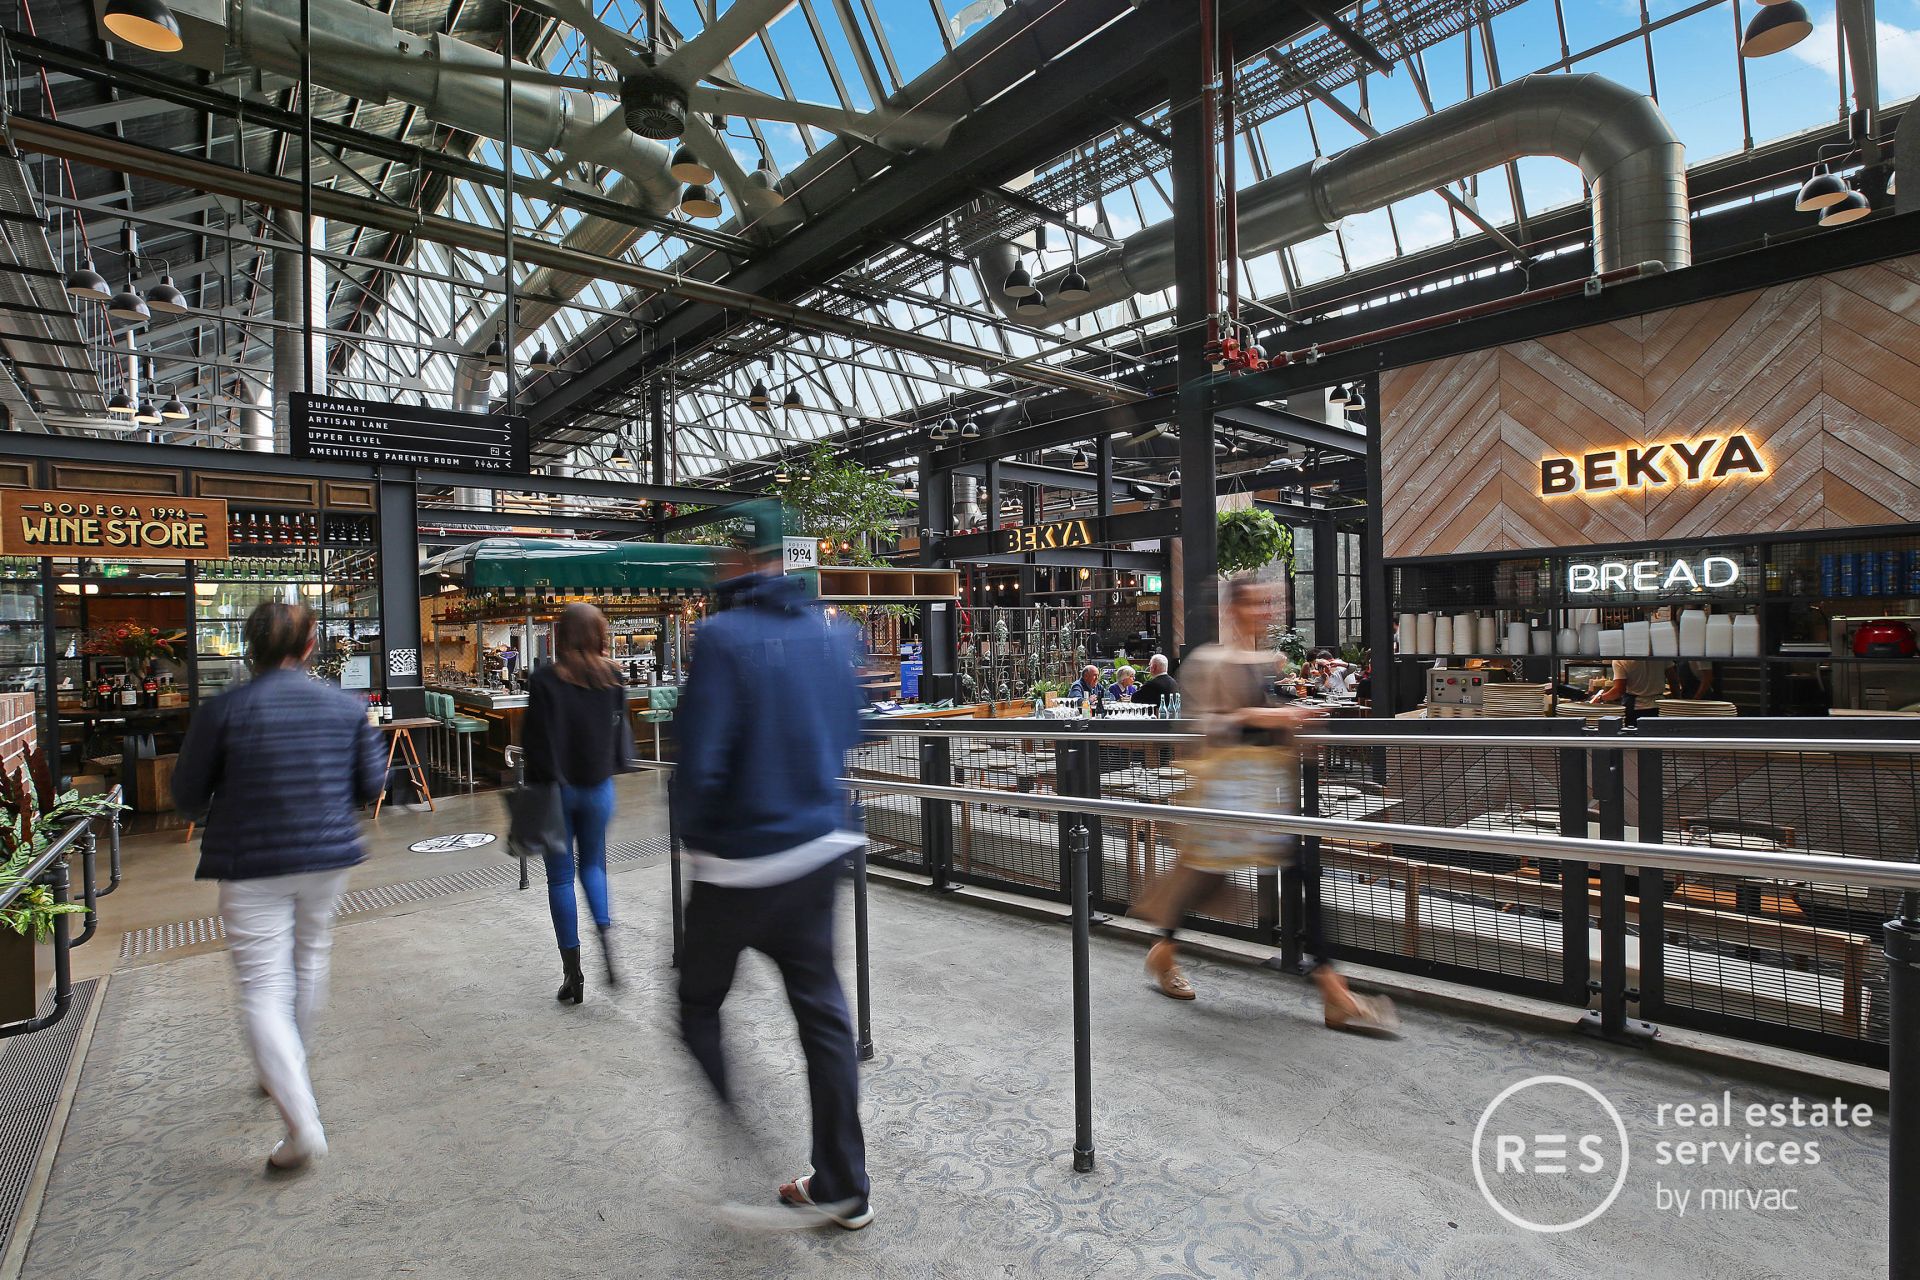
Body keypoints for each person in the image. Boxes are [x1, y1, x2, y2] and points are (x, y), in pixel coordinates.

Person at [672, 527, 872, 1231]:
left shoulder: (720, 637)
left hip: (736, 864)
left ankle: (742, 1142)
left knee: (698, 1004)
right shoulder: (834, 634)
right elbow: (854, 728)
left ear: (741, 561)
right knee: (824, 1016)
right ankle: (844, 1185)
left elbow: (701, 757)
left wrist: (695, 838)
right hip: (817, 851)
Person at [172, 602, 384, 1171]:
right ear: (310, 647)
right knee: (309, 959)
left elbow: (186, 797)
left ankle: (300, 1122)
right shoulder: (345, 706)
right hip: (327, 856)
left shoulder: (223, 710)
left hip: (250, 861)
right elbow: (371, 785)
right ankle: (289, 1063)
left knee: (264, 985)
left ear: (249, 648)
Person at [1132, 578, 1395, 1033]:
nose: (1266, 611)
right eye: (1256, 603)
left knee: (1299, 873)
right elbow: (1210, 724)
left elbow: (1255, 723)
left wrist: (1289, 722)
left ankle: (1331, 989)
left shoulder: (1260, 662)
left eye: (1269, 603)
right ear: (1232, 608)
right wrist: (1274, 716)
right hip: (1225, 792)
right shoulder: (1212, 660)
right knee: (1207, 875)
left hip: (1260, 790)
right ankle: (1164, 950)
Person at [522, 602, 631, 1004]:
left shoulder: (545, 680)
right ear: (599, 634)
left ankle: (573, 973)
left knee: (560, 878)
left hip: (557, 791)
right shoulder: (614, 677)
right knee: (594, 867)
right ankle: (607, 942)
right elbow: (620, 739)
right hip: (599, 788)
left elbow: (534, 743)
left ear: (561, 635)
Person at [1591, 657, 1670, 721]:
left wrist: (1600, 698)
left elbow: (1618, 691)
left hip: (1636, 708)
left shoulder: (1620, 659)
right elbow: (1673, 680)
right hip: (1660, 706)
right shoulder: (1659, 654)